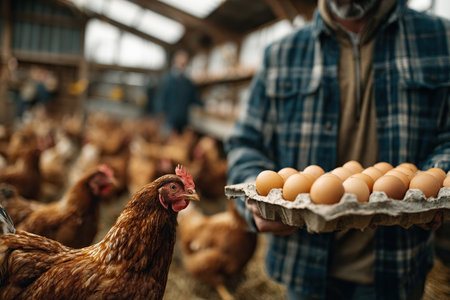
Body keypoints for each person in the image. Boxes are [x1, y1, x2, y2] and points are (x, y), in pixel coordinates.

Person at [225, 0, 450, 299]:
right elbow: (244, 143)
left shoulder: (440, 39)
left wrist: (436, 181)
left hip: (398, 263)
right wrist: (257, 200)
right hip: (304, 267)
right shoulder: (281, 53)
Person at [154, 50, 201, 134]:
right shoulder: (168, 79)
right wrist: (160, 113)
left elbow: (193, 98)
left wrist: (206, 105)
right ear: (175, 61)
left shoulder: (188, 82)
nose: (183, 63)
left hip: (183, 120)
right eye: (181, 60)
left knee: (180, 143)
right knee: (168, 142)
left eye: (185, 62)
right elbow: (161, 97)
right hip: (169, 119)